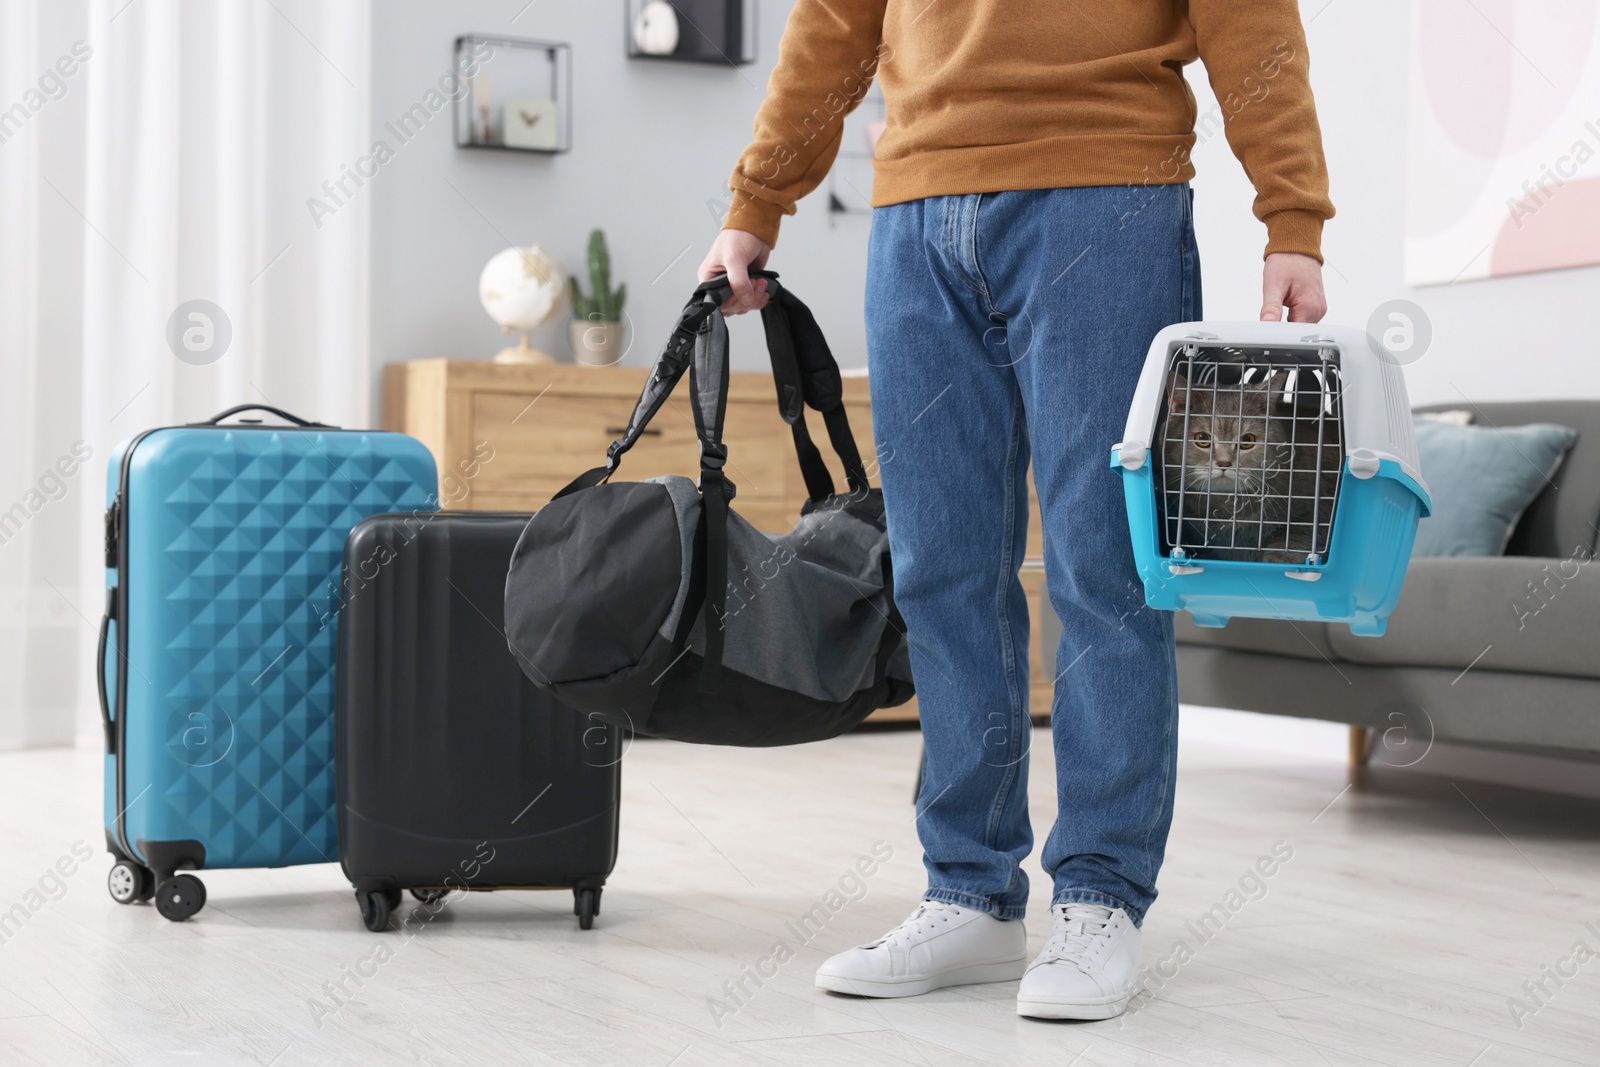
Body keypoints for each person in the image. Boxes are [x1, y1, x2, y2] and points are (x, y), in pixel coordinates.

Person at [698, 1, 1332, 1021]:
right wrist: (756, 202)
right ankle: (969, 890)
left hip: (1108, 196)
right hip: (911, 209)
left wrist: (1289, 214)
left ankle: (1098, 896)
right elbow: (831, 21)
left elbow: (1250, 19)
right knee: (939, 568)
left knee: (1104, 569)